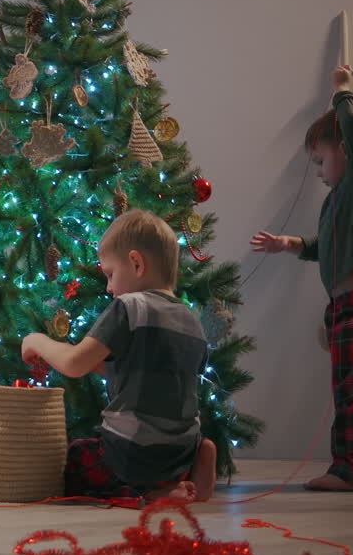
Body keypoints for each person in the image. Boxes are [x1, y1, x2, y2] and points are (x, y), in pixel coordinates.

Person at [249, 65, 353, 492]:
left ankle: (350, 470)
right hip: (346, 308)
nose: (317, 171)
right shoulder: (337, 203)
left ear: (347, 151)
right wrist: (290, 243)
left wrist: (342, 92)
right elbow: (324, 247)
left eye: (320, 160)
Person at [23, 209, 216, 502]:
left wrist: (37, 341)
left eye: (111, 274)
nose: (109, 287)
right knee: (165, 446)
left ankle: (154, 493)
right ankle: (187, 473)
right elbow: (145, 372)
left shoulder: (129, 307)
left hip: (133, 453)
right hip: (181, 450)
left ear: (136, 263)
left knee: (76, 459)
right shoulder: (191, 320)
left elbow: (75, 363)